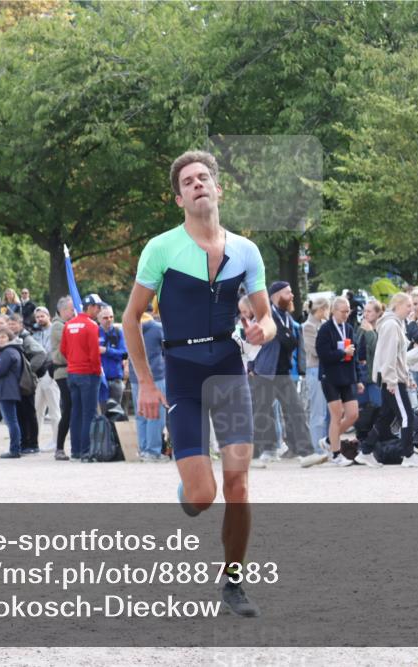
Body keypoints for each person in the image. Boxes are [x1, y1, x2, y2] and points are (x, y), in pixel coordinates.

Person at [123, 150, 272, 617]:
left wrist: (259, 332)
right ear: (179, 198)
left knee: (240, 486)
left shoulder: (245, 251)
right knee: (205, 496)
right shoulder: (161, 248)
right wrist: (146, 383)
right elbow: (131, 319)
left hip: (228, 368)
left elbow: (267, 319)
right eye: (188, 181)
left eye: (204, 177)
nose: (197, 184)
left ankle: (233, 583)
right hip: (182, 373)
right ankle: (191, 490)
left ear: (218, 188)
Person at [251, 281, 325, 468]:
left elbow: (295, 345)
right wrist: (251, 367)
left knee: (296, 411)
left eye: (291, 292)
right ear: (275, 296)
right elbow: (251, 341)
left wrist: (300, 369)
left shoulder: (288, 319)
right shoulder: (264, 317)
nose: (292, 296)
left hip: (283, 374)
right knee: (261, 414)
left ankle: (307, 453)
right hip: (265, 374)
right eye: (287, 293)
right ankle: (254, 455)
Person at [362, 293, 418, 467]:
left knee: (386, 417)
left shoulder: (394, 324)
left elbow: (398, 357)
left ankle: (366, 450)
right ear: (397, 305)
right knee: (407, 416)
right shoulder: (391, 325)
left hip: (394, 378)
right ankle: (408, 455)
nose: (411, 309)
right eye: (408, 305)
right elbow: (389, 356)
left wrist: (407, 377)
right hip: (392, 379)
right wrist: (392, 380)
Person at [315, 296, 363, 467]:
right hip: (330, 377)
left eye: (348, 310)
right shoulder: (325, 329)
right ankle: (335, 454)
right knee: (336, 416)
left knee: (353, 414)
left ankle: (329, 440)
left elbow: (354, 355)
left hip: (347, 376)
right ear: (334, 311)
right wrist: (342, 353)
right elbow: (323, 355)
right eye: (343, 311)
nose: (346, 314)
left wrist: (358, 378)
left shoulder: (349, 328)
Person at [62, 294, 104, 461]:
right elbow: (94, 353)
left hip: (72, 373)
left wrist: (73, 361)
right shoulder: (91, 325)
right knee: (88, 413)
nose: (99, 310)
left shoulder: (69, 324)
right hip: (88, 374)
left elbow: (63, 349)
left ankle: (75, 450)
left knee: (76, 412)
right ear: (91, 307)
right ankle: (86, 451)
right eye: (98, 307)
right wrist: (96, 371)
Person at [129, 299, 166, 461]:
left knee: (140, 414)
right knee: (155, 413)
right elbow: (167, 351)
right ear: (151, 312)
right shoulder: (157, 329)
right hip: (156, 375)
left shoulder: (130, 327)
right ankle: (153, 450)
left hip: (135, 375)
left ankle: (143, 449)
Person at [8, 313, 46, 453]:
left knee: (29, 412)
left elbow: (41, 353)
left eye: (14, 324)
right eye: (10, 324)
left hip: (26, 382)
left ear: (21, 325)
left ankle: (33, 444)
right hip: (17, 383)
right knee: (20, 413)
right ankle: (24, 442)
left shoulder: (26, 338)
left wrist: (29, 370)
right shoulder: (11, 339)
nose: (11, 326)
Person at [0, 329, 24, 459]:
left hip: (7, 391)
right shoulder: (11, 351)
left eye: (4, 337)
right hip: (8, 390)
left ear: (9, 338)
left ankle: (15, 449)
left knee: (11, 421)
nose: (1, 339)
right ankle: (16, 447)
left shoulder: (8, 352)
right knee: (12, 421)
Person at [302, 296, 330, 452]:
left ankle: (326, 445)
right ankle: (318, 448)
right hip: (315, 369)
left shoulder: (324, 324)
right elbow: (314, 350)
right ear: (321, 309)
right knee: (318, 411)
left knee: (326, 411)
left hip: (325, 370)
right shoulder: (309, 326)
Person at [30, 306, 62, 448]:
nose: (40, 319)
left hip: (51, 372)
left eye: (42, 316)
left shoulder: (54, 330)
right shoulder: (34, 333)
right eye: (37, 317)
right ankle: (34, 440)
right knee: (37, 410)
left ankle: (57, 441)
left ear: (48, 316)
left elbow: (49, 351)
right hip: (38, 375)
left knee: (54, 410)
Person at [49, 296, 75, 461]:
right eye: (72, 310)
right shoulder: (59, 327)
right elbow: (69, 347)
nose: (73, 312)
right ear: (64, 310)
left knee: (71, 409)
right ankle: (59, 447)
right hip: (63, 372)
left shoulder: (66, 325)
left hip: (71, 371)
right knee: (68, 409)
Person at [98, 305, 128, 405]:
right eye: (105, 318)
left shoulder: (118, 332)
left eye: (111, 317)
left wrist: (107, 351)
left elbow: (124, 354)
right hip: (100, 380)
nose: (109, 320)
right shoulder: (95, 332)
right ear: (99, 319)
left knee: (114, 413)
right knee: (101, 413)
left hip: (116, 379)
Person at [356, 299, 383, 409]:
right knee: (362, 406)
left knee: (377, 404)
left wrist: (370, 332)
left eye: (369, 311)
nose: (366, 314)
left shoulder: (382, 328)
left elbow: (378, 349)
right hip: (361, 371)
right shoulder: (361, 328)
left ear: (378, 313)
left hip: (374, 372)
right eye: (365, 311)